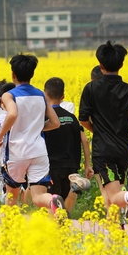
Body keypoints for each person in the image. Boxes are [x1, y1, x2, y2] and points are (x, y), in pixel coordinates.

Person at [79, 41, 128, 224]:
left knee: (113, 196)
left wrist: (98, 131)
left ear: (100, 65)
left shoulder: (91, 88)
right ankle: (116, 227)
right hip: (124, 150)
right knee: (112, 191)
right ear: (121, 65)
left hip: (104, 152)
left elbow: (83, 120)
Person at [0, 54, 63, 214]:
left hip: (17, 153)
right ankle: (53, 200)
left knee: (12, 197)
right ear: (32, 74)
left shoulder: (9, 95)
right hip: (39, 152)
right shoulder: (41, 95)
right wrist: (35, 128)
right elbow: (56, 123)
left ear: (13, 74)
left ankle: (8, 236)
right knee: (38, 197)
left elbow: (12, 114)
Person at [43, 77, 93, 213]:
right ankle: (65, 218)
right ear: (63, 96)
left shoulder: (44, 118)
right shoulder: (72, 118)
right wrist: (88, 164)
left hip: (52, 165)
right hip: (71, 164)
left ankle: (56, 225)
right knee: (68, 195)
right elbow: (85, 140)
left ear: (45, 94)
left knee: (52, 199)